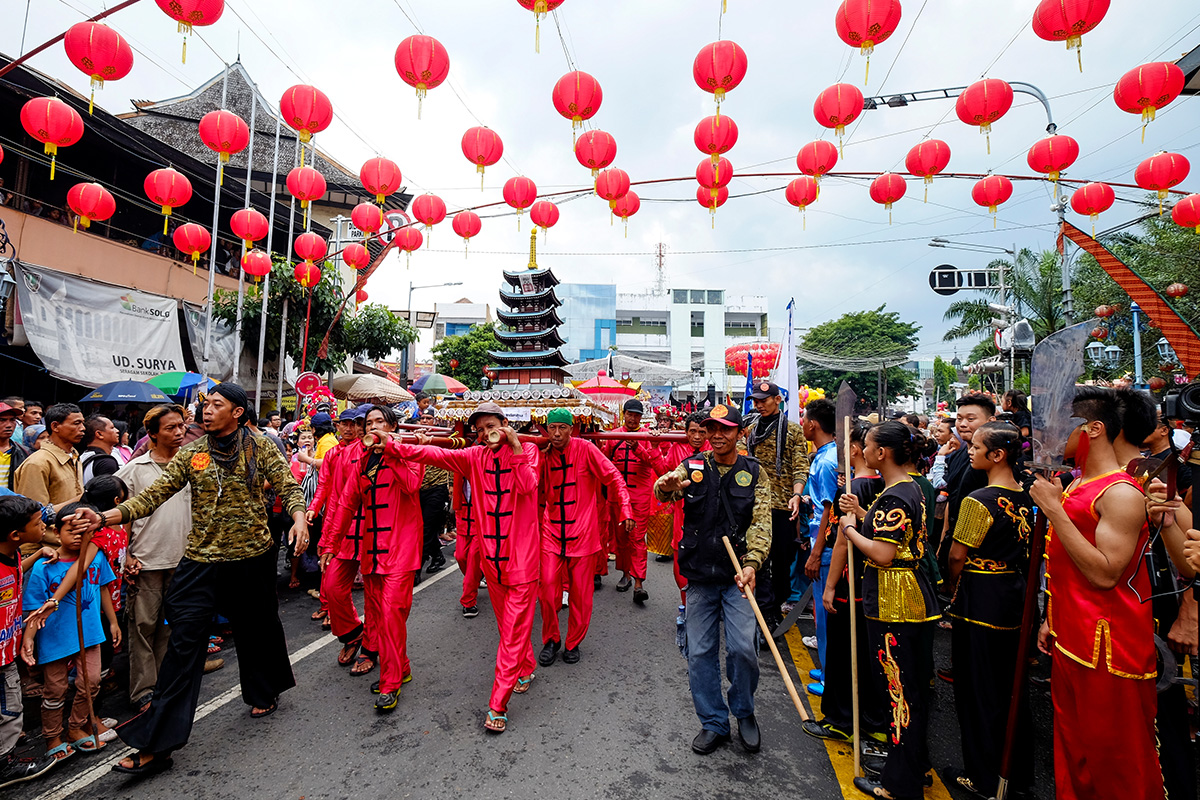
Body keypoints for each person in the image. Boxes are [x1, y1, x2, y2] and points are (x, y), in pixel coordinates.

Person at [75, 383, 309, 777]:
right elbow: (152, 496)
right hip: (200, 562)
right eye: (205, 404)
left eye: (217, 405)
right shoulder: (193, 454)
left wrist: (299, 518)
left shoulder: (260, 447)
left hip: (252, 558)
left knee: (257, 630)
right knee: (184, 646)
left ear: (237, 412)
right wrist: (104, 517)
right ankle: (158, 744)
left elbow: (288, 487)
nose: (206, 410)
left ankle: (263, 690)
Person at [1029, 386, 1161, 800]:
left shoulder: (1120, 493)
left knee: (1117, 762)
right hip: (1072, 638)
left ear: (1093, 428)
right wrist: (1052, 617)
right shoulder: (1077, 484)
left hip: (1109, 650)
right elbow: (1065, 565)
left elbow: (1105, 574)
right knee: (1075, 753)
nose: (1048, 436)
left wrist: (1052, 511)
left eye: (1060, 427)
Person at [397, 402, 540, 734]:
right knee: (510, 626)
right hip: (492, 558)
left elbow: (528, 487)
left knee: (512, 630)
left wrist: (516, 445)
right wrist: (402, 444)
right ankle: (527, 665)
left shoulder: (530, 451)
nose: (484, 433)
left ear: (505, 424)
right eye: (478, 429)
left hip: (522, 560)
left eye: (490, 425)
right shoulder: (475, 456)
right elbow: (436, 457)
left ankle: (497, 703)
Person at [653, 404, 770, 755]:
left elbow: (761, 523)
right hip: (700, 577)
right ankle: (713, 722)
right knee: (700, 652)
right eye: (711, 429)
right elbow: (664, 491)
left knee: (743, 649)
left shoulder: (754, 471)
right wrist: (666, 485)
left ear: (739, 433)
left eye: (726, 429)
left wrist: (752, 563)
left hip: (738, 578)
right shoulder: (693, 466)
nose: (717, 435)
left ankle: (744, 712)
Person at [838, 421, 940, 799]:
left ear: (881, 453)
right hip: (912, 597)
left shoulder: (896, 496)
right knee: (909, 689)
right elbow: (895, 535)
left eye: (866, 445)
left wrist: (849, 528)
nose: (861, 450)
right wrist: (863, 512)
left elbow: (883, 553)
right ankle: (910, 764)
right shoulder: (908, 488)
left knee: (898, 691)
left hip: (896, 602)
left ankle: (899, 784)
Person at [942, 422, 1033, 798]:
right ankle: (1014, 774)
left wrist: (953, 588)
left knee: (977, 690)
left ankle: (981, 776)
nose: (971, 451)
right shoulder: (1029, 495)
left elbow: (957, 556)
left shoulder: (979, 500)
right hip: (1014, 597)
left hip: (979, 601)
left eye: (977, 447)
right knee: (1010, 691)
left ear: (997, 455)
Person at [323, 405, 423, 713]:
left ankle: (391, 681)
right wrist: (329, 542)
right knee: (380, 616)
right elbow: (346, 502)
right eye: (369, 423)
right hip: (372, 550)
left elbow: (411, 485)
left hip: (402, 550)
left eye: (380, 422)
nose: (373, 427)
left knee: (392, 615)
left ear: (392, 427)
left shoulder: (408, 451)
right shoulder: (362, 460)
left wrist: (393, 451)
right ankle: (402, 666)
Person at [803, 421, 889, 746]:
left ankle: (840, 720)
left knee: (841, 656)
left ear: (856, 449)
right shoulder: (886, 487)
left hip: (848, 587)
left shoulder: (850, 493)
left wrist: (829, 586)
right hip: (875, 589)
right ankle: (874, 720)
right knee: (871, 658)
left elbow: (841, 541)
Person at [22, 503, 121, 760]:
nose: (78, 536)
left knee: (92, 682)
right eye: (71, 530)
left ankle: (76, 728)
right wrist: (29, 640)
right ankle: (52, 736)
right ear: (56, 532)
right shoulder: (44, 567)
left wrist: (112, 622)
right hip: (55, 638)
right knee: (55, 689)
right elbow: (33, 609)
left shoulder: (96, 557)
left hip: (90, 633)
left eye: (84, 531)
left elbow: (102, 589)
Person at [537, 407, 633, 666]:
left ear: (572, 429)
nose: (556, 434)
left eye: (562, 428)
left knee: (581, 595)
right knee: (546, 588)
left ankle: (572, 642)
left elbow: (613, 476)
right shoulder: (542, 452)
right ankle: (551, 638)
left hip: (583, 533)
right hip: (552, 532)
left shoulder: (586, 449)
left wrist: (625, 508)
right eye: (552, 428)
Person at [115, 404, 191, 711]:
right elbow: (121, 516)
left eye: (181, 426)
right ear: (152, 434)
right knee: (143, 626)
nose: (179, 433)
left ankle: (163, 683)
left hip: (183, 559)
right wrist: (127, 554)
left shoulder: (191, 466)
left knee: (170, 625)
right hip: (146, 561)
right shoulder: (134, 470)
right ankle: (143, 690)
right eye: (171, 428)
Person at [742, 381, 811, 631]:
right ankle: (765, 613)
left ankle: (774, 604)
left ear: (778, 399)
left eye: (764, 400)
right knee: (758, 561)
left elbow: (801, 465)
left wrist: (797, 494)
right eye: (756, 401)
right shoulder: (749, 429)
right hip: (754, 505)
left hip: (783, 506)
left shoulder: (793, 431)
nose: (758, 404)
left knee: (782, 564)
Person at [0, 496, 58, 788]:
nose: (45, 526)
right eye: (38, 524)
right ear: (15, 534)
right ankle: (4, 765)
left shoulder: (14, 554)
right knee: (9, 709)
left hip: (6, 652)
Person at [312, 407, 373, 672]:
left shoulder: (373, 451)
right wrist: (314, 508)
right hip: (341, 528)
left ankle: (371, 648)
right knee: (333, 587)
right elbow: (326, 487)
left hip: (373, 529)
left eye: (356, 424)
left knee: (374, 596)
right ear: (337, 426)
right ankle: (351, 633)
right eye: (345, 424)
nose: (350, 429)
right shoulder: (334, 454)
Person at [600, 399, 667, 603]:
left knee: (637, 539)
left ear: (640, 417)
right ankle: (625, 574)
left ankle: (639, 583)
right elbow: (603, 462)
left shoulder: (648, 435)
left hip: (639, 496)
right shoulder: (613, 436)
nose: (633, 418)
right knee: (620, 538)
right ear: (624, 414)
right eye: (630, 414)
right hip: (617, 497)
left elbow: (656, 465)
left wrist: (638, 447)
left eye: (637, 415)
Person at [799, 398, 837, 695]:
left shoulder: (826, 462)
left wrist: (815, 551)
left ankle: (830, 677)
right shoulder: (828, 454)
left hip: (823, 549)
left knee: (825, 615)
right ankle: (826, 666)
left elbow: (828, 511)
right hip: (819, 543)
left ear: (813, 424)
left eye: (804, 420)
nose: (801, 425)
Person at [660, 411, 711, 603]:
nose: (697, 436)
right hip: (682, 516)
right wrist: (654, 447)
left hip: (709, 519)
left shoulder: (716, 450)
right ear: (686, 432)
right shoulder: (676, 448)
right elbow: (661, 471)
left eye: (702, 432)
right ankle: (686, 606)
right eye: (692, 432)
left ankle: (706, 607)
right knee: (681, 567)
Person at [14, 404, 86, 528]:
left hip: (70, 539)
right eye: (76, 423)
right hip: (47, 543)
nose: (83, 428)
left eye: (82, 423)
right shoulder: (38, 463)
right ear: (55, 426)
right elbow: (33, 516)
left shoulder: (74, 457)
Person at [79, 416, 124, 485]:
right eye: (112, 428)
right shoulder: (106, 462)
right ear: (99, 434)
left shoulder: (83, 456)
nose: (117, 431)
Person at [0, 403, 30, 494]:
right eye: (2, 420)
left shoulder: (24, 452)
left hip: (10, 505)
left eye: (12, 420)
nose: (9, 425)